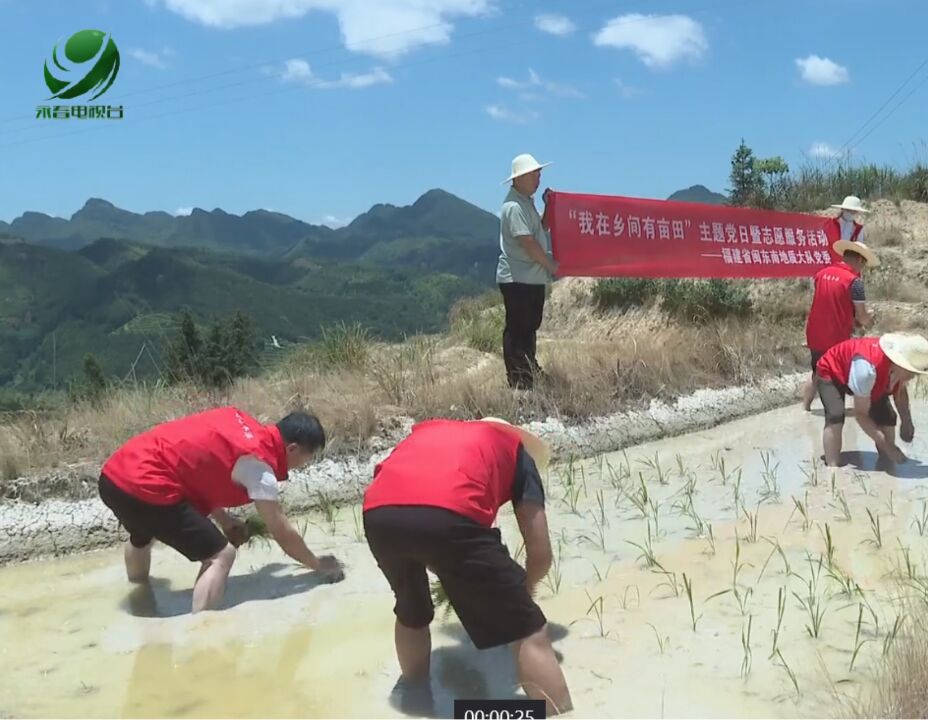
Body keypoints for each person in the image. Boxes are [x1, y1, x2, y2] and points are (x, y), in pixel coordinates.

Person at [363, 417, 572, 714]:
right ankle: (554, 710)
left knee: (412, 609)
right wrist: (519, 599)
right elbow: (540, 553)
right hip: (450, 514)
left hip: (379, 514)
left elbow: (411, 501)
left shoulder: (434, 435)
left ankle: (416, 696)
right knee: (528, 629)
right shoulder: (516, 452)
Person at [97, 407, 343, 614]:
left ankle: (140, 594)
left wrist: (225, 521)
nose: (303, 465)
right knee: (221, 555)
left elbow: (199, 468)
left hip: (114, 477)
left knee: (143, 531)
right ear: (292, 449)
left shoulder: (237, 418)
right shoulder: (260, 468)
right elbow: (280, 529)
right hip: (146, 484)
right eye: (307, 457)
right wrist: (317, 564)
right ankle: (202, 631)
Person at [813, 333, 928, 468]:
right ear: (901, 364)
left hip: (867, 377)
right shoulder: (867, 370)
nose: (913, 376)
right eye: (912, 372)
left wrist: (906, 421)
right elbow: (860, 414)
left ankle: (887, 462)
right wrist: (888, 446)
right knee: (836, 415)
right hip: (832, 370)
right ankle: (832, 467)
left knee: (887, 416)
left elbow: (900, 393)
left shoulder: (899, 367)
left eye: (916, 373)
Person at [497, 153, 558, 390]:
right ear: (520, 177)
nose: (539, 178)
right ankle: (518, 379)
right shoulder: (513, 206)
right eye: (535, 174)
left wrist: (548, 206)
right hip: (517, 278)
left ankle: (528, 372)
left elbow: (541, 229)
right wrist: (549, 264)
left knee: (529, 327)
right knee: (518, 329)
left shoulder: (526, 203)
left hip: (530, 278)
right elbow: (529, 242)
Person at [801, 239, 879, 412]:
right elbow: (862, 316)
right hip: (836, 336)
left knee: (817, 371)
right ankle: (839, 411)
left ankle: (806, 409)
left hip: (814, 332)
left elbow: (829, 301)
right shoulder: (855, 282)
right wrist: (870, 316)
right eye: (864, 265)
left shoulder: (822, 274)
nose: (862, 270)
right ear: (859, 260)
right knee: (839, 373)